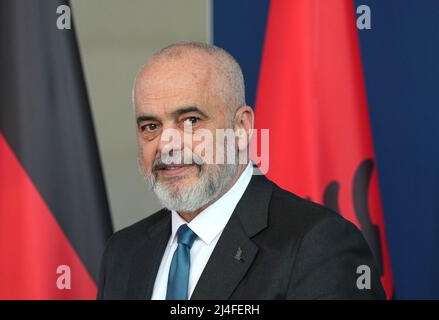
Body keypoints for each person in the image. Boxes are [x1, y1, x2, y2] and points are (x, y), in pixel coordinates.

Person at [97, 42, 385, 300]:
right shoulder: (123, 251)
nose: (167, 144)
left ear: (242, 128)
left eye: (190, 121)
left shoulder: (318, 245)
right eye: (150, 127)